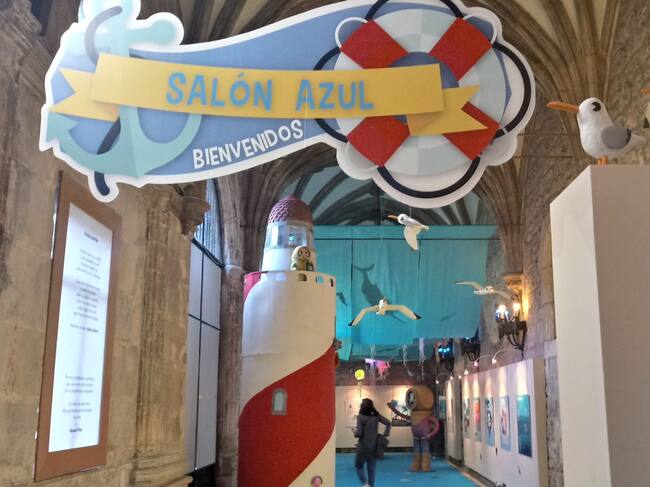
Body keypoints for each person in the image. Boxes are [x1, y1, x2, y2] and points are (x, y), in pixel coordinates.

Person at [353, 398, 391, 487]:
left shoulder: (360, 417)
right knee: (371, 470)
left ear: (362, 406)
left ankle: (365, 484)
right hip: (374, 446)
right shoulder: (376, 416)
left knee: (358, 466)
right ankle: (371, 485)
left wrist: (354, 432)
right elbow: (388, 423)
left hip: (362, 446)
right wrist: (385, 434)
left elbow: (359, 433)